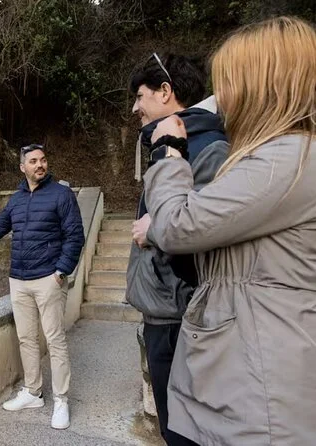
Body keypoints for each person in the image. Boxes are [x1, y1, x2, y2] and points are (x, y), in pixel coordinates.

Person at [132, 16, 316, 446]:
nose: (222, 96)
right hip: (242, 377)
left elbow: (177, 227)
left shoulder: (282, 162)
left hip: (258, 393)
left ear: (264, 85)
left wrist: (169, 154)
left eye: (230, 81)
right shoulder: (276, 159)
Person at [126, 53, 228, 445]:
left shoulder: (208, 147)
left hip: (182, 316)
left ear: (166, 91)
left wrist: (152, 230)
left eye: (140, 96)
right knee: (173, 429)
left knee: (185, 432)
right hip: (164, 314)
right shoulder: (172, 144)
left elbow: (208, 227)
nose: (135, 107)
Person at [0, 144, 84, 430]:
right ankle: (33, 392)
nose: (40, 165)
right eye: (33, 161)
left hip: (48, 278)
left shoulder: (61, 194)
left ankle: (61, 400)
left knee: (55, 340)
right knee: (26, 338)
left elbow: (74, 236)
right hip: (19, 279)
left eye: (43, 160)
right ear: (23, 167)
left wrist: (61, 271)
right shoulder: (17, 199)